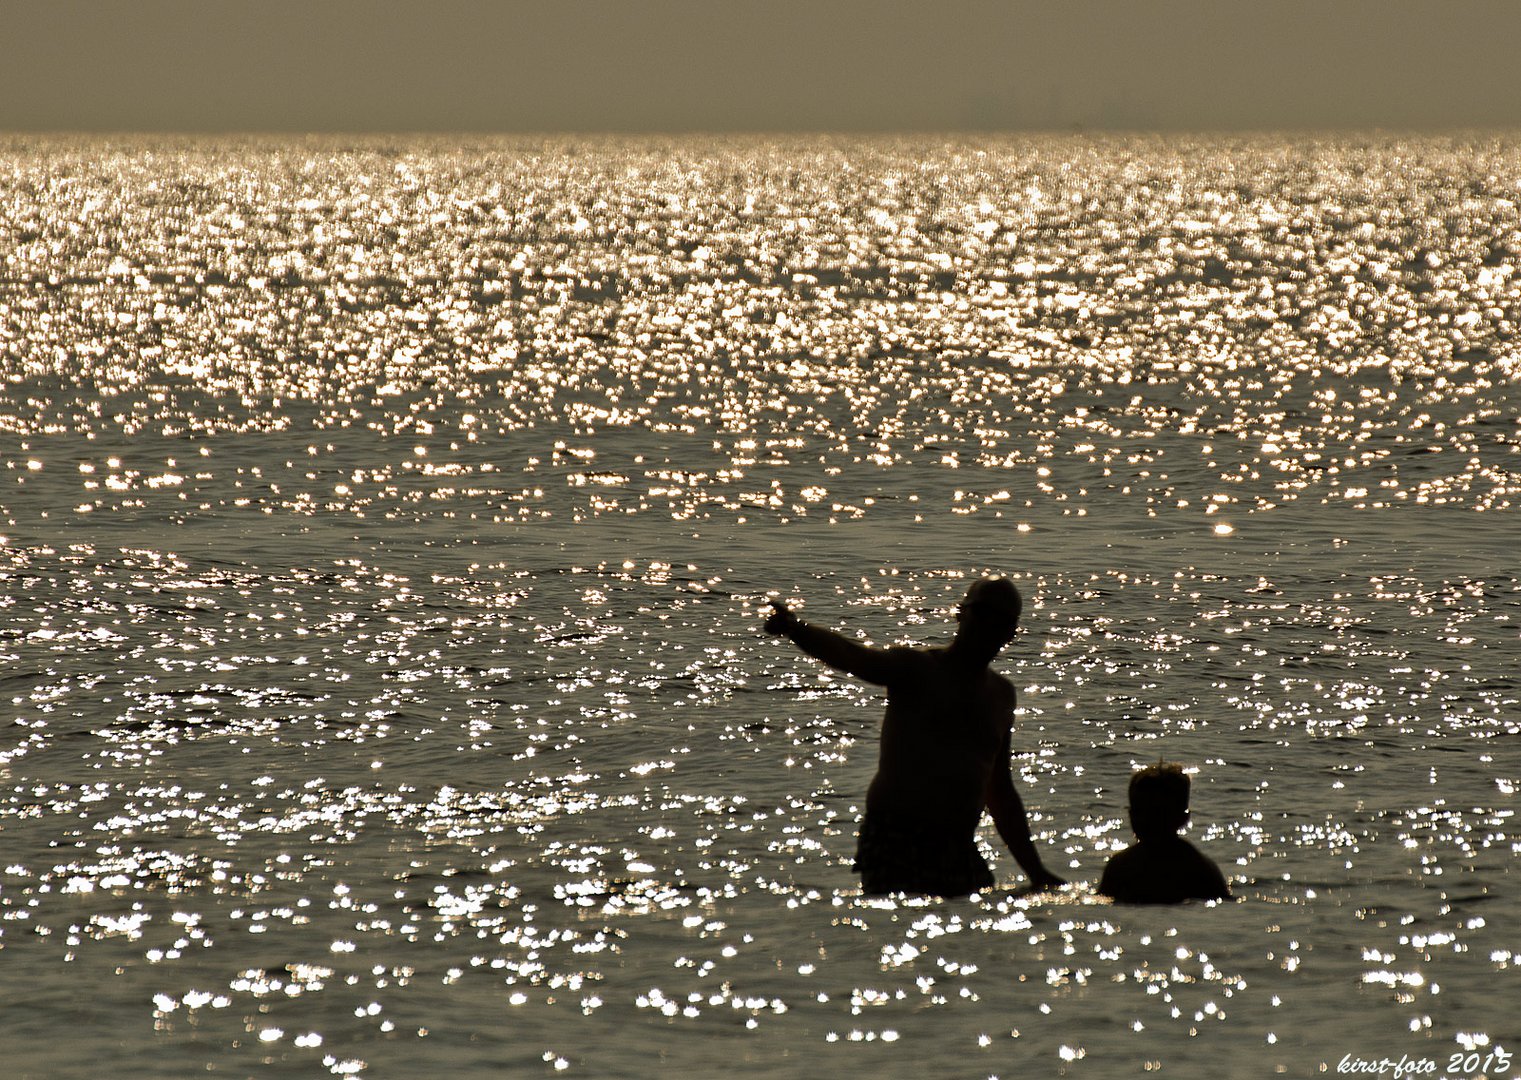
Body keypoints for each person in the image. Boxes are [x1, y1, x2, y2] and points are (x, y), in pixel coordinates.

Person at [764, 577, 1066, 897]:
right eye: (981, 612)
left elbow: (1000, 792)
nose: (988, 624)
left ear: (1010, 632)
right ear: (961, 614)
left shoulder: (1001, 695)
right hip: (895, 841)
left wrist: (1036, 872)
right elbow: (853, 657)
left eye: (1000, 619)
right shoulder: (917, 669)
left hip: (956, 847)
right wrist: (796, 628)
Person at [1097, 761, 1231, 904]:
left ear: (1183, 818)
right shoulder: (1120, 867)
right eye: (1141, 812)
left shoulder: (1198, 868)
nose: (1149, 821)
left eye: (1158, 814)